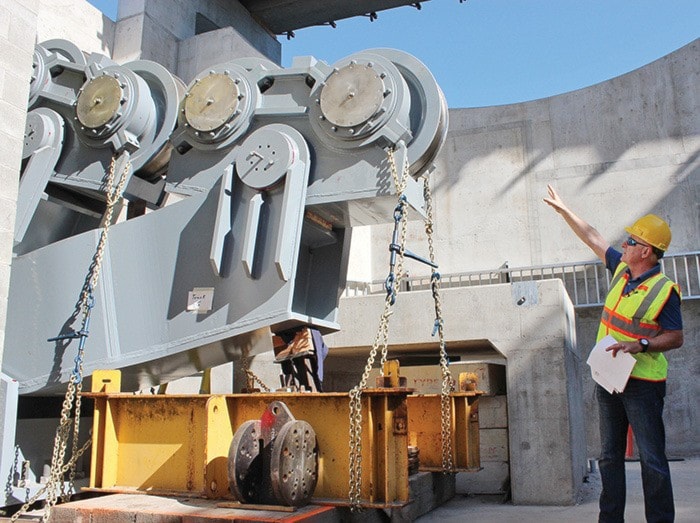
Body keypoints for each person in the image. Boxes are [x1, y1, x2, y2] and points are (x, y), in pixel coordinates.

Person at [543, 184, 683, 523]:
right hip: (610, 379)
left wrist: (641, 345)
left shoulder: (664, 291)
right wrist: (564, 211)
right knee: (608, 457)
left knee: (651, 459)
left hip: (643, 384)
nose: (625, 244)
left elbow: (676, 336)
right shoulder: (622, 269)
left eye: (632, 242)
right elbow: (593, 237)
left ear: (647, 251)